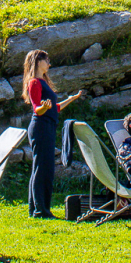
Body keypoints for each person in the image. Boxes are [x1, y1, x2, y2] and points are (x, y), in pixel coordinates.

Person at [22, 49, 84, 219]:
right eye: (46, 60)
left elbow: (53, 108)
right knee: (43, 169)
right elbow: (38, 109)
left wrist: (71, 99)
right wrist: (45, 106)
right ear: (38, 61)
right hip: (41, 127)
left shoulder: (43, 82)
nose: (49, 63)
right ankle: (41, 210)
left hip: (47, 126)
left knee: (42, 167)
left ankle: (37, 209)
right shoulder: (34, 82)